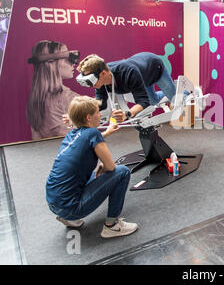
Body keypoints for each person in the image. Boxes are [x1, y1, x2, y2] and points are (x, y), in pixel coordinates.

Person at [46, 96, 138, 238]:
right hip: (71, 208)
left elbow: (87, 141)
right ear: (88, 117)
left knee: (85, 173)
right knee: (122, 172)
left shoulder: (71, 135)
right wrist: (104, 165)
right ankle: (112, 226)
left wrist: (107, 132)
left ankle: (68, 218)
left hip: (53, 203)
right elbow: (111, 167)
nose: (100, 114)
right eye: (97, 112)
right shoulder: (93, 133)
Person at [75, 52, 176, 123]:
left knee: (175, 98)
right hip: (142, 75)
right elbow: (100, 104)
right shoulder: (100, 81)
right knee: (154, 101)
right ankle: (166, 93)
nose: (92, 85)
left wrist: (127, 114)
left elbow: (143, 102)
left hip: (154, 66)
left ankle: (187, 91)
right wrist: (77, 116)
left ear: (103, 73)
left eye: (92, 80)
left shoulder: (129, 72)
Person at [26, 40, 81, 140]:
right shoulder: (68, 98)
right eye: (68, 59)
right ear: (51, 63)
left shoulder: (36, 101)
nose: (74, 64)